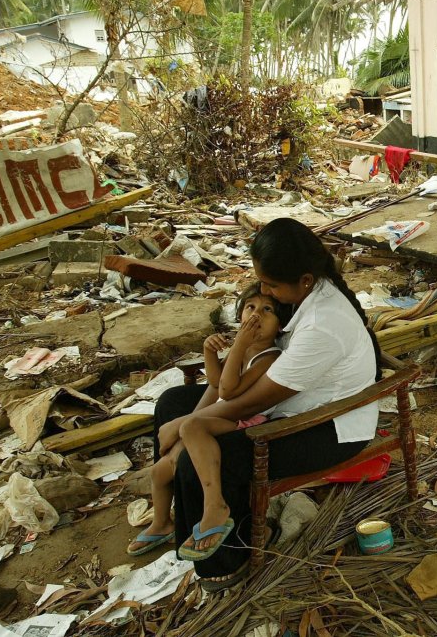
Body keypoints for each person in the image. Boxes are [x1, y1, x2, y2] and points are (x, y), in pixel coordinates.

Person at [150, 218, 381, 591]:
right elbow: (232, 391)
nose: (262, 290)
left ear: (304, 280)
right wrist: (186, 420)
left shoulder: (322, 324)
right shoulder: (303, 295)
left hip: (328, 428)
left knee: (205, 455)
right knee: (173, 402)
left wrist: (184, 429)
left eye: (270, 285)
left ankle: (226, 563)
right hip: (290, 403)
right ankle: (179, 515)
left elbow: (244, 406)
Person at [127, 284, 285, 557]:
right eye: (250, 308)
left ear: (280, 326)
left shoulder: (269, 357)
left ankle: (216, 505)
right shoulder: (245, 352)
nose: (256, 315)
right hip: (223, 414)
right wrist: (210, 352)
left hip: (249, 422)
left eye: (267, 310)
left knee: (191, 427)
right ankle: (162, 523)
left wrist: (239, 344)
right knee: (158, 473)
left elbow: (228, 391)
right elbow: (215, 383)